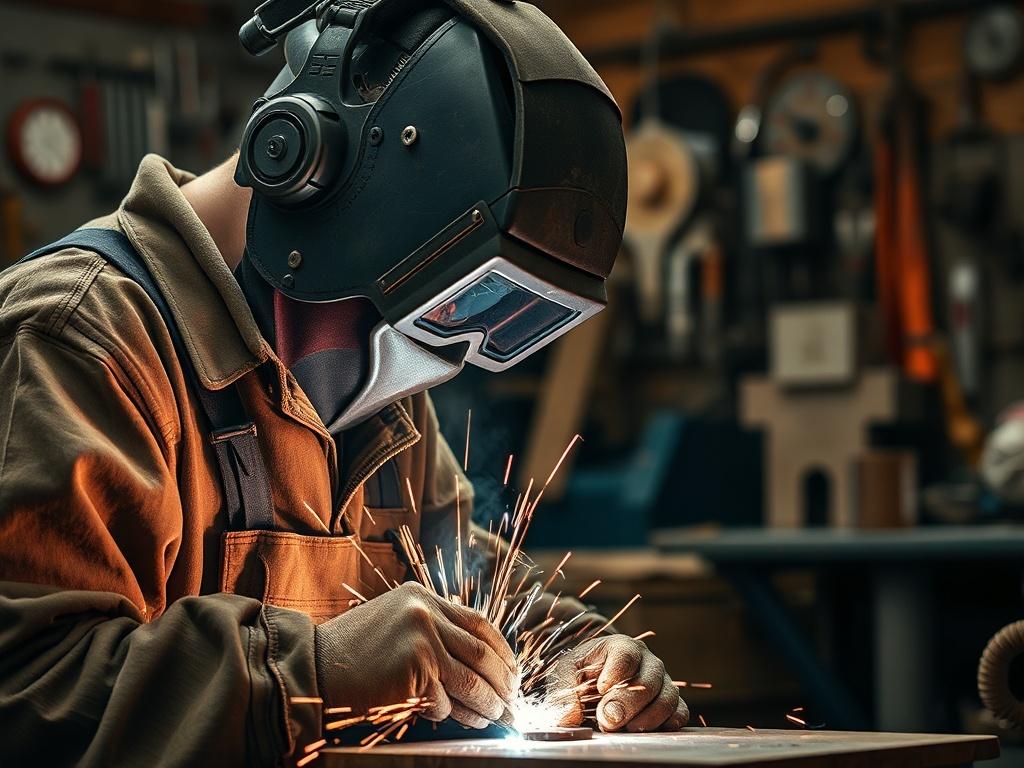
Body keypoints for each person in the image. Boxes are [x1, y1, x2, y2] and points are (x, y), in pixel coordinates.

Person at [0, 1, 687, 764]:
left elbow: (462, 589)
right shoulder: (79, 340)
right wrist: (317, 672)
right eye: (432, 310)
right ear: (300, 170)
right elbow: (30, 691)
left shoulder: (369, 372)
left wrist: (573, 658)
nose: (437, 358)